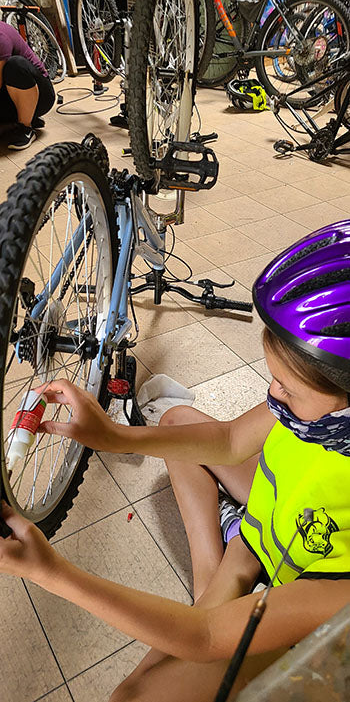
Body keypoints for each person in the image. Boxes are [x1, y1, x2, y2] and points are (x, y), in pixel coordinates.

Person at [1, 220, 350, 701]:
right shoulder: (325, 420)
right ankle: (219, 569)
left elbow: (205, 637)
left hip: (302, 597)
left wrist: (48, 570)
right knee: (177, 421)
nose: (273, 395)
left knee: (133, 695)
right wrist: (114, 436)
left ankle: (220, 576)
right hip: (274, 527)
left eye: (289, 389)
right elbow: (230, 439)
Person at [0, 20, 55, 150]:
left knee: (15, 66)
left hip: (41, 97)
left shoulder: (1, 37)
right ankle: (17, 119)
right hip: (9, 96)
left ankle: (25, 127)